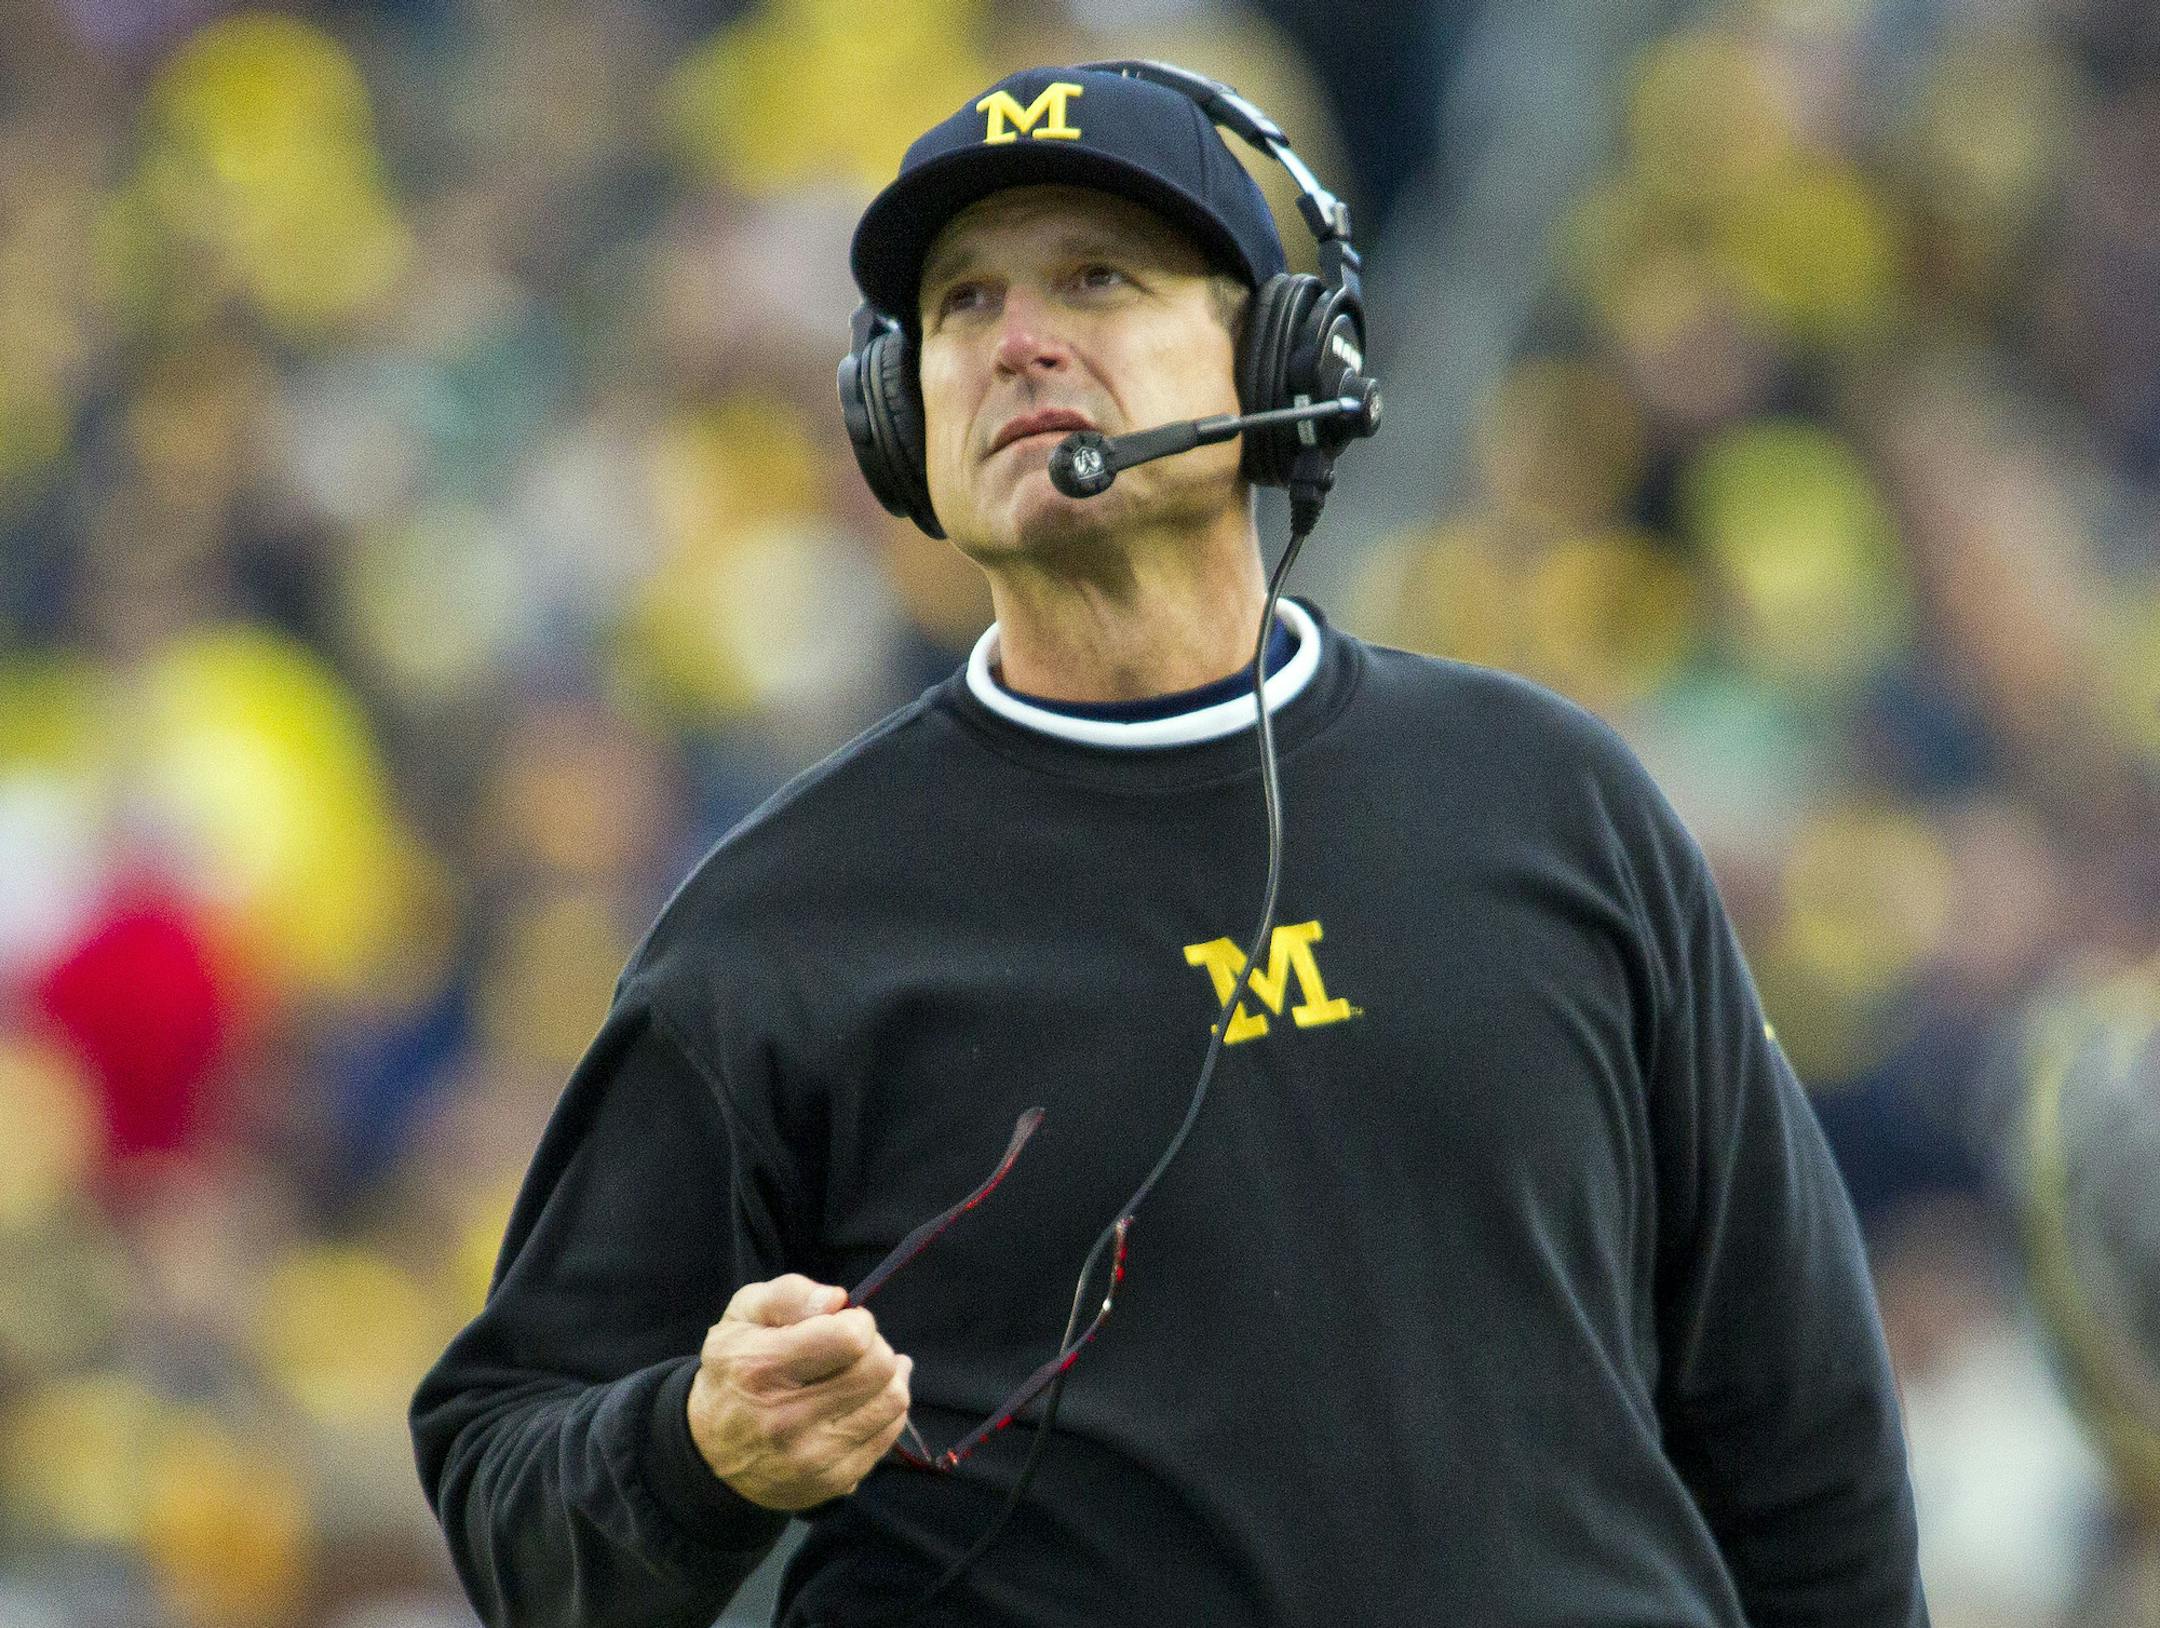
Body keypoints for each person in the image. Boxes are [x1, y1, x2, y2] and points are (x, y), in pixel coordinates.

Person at [410, 62, 1930, 1628]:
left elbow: (1800, 1426)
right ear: (893, 415)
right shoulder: (778, 925)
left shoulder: (1555, 803)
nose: (1020, 341)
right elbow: (506, 1483)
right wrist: (696, 1450)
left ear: (1280, 356)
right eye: (961, 305)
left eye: (1097, 277)